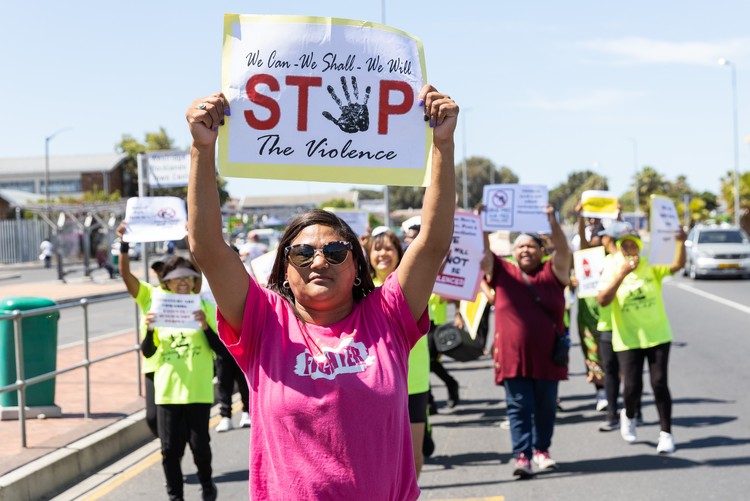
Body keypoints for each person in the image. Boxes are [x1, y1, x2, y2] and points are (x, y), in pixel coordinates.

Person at [186, 85, 457, 499]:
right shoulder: (263, 321)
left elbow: (433, 243)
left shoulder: (388, 316)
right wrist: (202, 150)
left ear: (355, 264)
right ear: (283, 265)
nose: (319, 262)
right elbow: (207, 247)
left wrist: (442, 144)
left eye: (334, 251)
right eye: (302, 252)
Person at [482, 206, 571, 478]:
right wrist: (485, 224)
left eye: (531, 246)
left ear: (541, 251)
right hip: (513, 358)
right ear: (513, 251)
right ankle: (522, 456)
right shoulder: (503, 271)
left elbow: (564, 250)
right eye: (520, 246)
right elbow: (484, 254)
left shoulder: (552, 272)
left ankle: (542, 450)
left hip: (548, 357)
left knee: (545, 408)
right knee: (519, 407)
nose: (525, 251)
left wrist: (552, 221)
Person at [597, 228, 686, 454]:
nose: (630, 249)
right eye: (624, 245)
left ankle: (666, 434)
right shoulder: (611, 265)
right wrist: (622, 275)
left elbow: (677, 266)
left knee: (659, 383)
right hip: (628, 337)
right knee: (632, 385)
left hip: (657, 334)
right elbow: (603, 300)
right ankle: (628, 415)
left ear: (639, 245)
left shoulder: (649, 264)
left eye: (633, 244)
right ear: (619, 248)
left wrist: (680, 244)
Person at [141, 257, 223, 501]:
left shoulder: (204, 307)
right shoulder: (159, 308)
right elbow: (148, 352)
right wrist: (149, 330)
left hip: (198, 389)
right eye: (176, 278)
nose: (183, 282)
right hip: (167, 392)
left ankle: (208, 486)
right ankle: (175, 496)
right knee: (170, 450)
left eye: (187, 277)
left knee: (199, 447)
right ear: (167, 283)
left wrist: (205, 326)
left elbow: (221, 350)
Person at [367, 225, 431, 477]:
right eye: (377, 248)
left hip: (414, 379)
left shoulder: (413, 285)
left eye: (389, 248)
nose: (383, 253)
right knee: (378, 453)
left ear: (399, 251)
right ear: (368, 254)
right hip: (375, 381)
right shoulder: (357, 291)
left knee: (414, 455)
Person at [573, 203, 607, 411]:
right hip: (587, 307)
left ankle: (612, 390)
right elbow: (584, 245)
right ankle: (601, 393)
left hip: (608, 309)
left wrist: (617, 215)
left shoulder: (611, 258)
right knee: (592, 351)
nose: (595, 240)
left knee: (610, 353)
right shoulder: (582, 253)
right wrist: (580, 218)